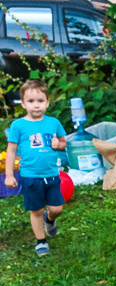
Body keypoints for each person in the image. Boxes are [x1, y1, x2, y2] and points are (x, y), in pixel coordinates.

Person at [4, 80, 67, 257]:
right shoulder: (18, 126)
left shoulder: (53, 123)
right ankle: (41, 241)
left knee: (57, 209)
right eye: (31, 101)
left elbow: (63, 142)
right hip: (30, 175)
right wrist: (9, 175)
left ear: (47, 102)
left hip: (52, 174)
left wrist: (59, 144)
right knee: (36, 209)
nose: (36, 105)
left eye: (40, 101)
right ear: (23, 103)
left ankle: (50, 220)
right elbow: (11, 150)